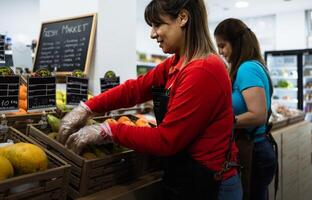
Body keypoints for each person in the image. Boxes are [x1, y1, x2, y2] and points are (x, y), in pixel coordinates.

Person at [58, 1, 242, 199]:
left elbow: (167, 140)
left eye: (157, 24)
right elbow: (135, 89)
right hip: (186, 175)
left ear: (182, 18)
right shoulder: (177, 62)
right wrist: (87, 107)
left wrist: (109, 130)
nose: (152, 34)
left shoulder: (203, 70)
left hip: (210, 184)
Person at [214, 18, 277, 200]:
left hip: (254, 150)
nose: (220, 52)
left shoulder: (247, 68)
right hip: (259, 148)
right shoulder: (253, 65)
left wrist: (226, 122)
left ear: (236, 43)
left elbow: (258, 115)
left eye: (223, 45)